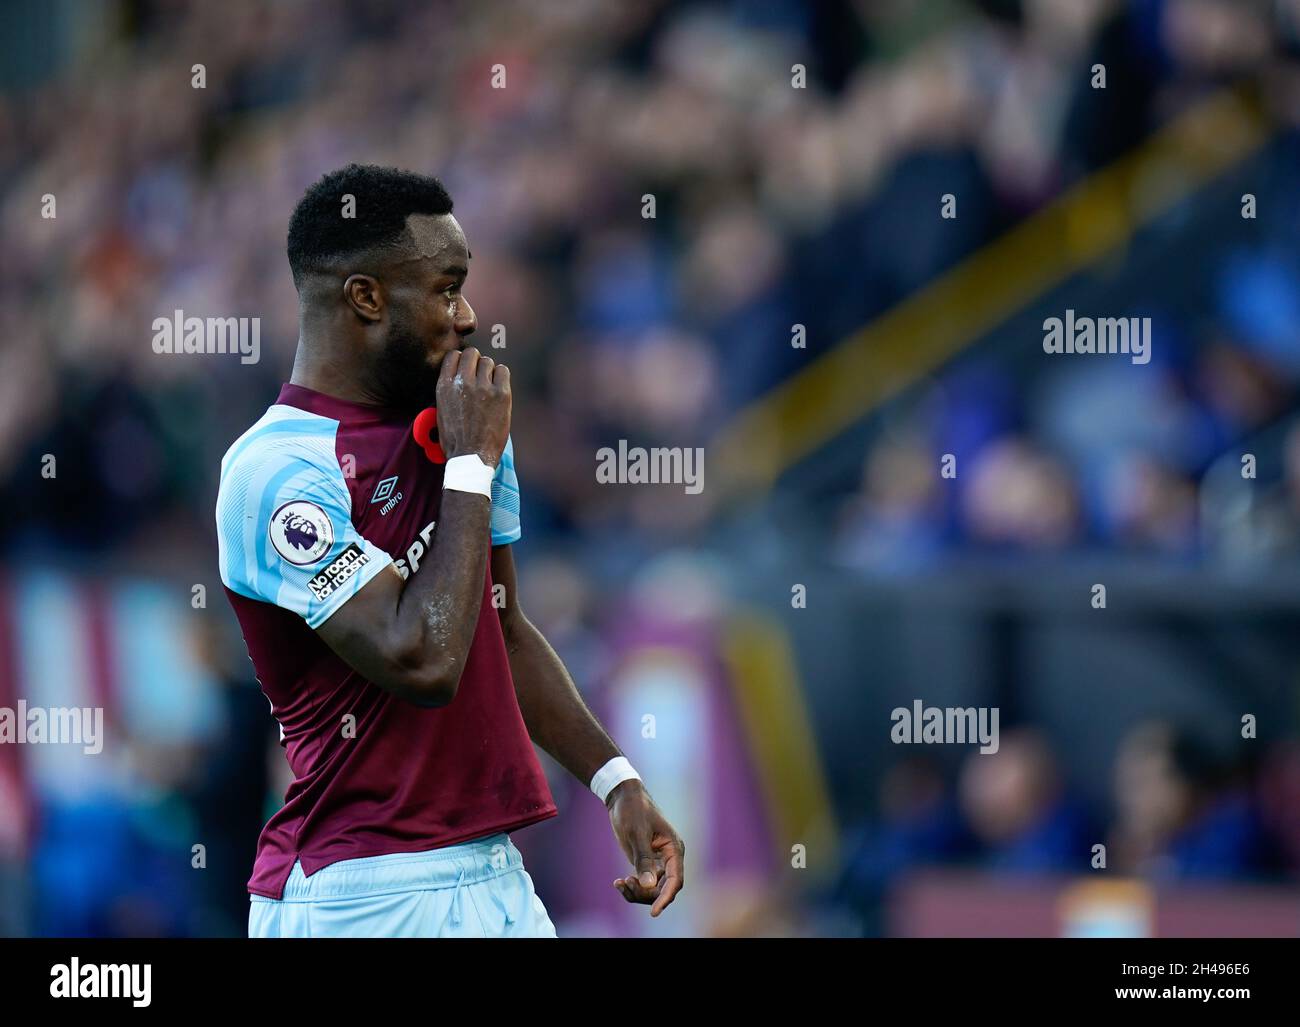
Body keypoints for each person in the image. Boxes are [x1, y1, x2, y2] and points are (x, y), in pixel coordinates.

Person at [215, 164, 684, 937]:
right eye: (445, 287)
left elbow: (499, 628)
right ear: (366, 298)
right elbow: (421, 658)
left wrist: (615, 780)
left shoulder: (461, 427)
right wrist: (468, 462)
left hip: (494, 873)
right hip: (360, 890)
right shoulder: (276, 471)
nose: (467, 316)